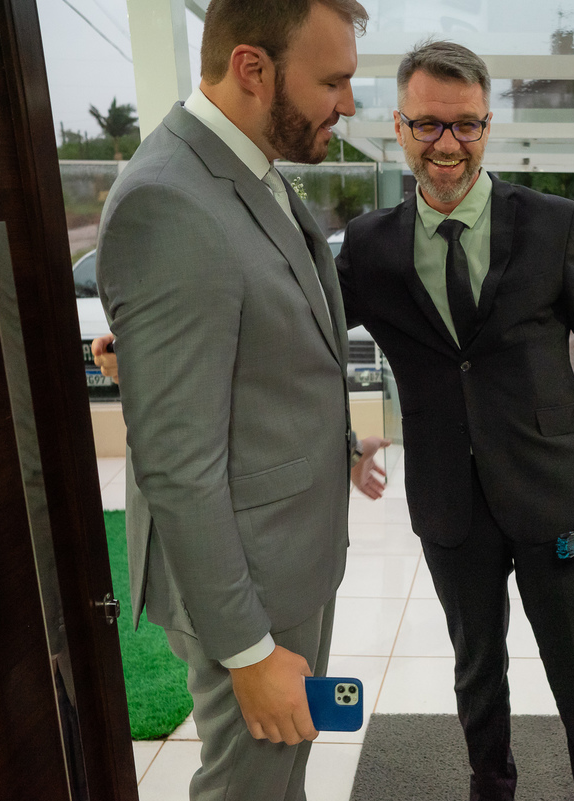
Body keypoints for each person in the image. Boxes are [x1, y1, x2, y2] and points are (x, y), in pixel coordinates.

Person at [336, 41, 574, 801]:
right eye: (428, 125)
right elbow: (298, 338)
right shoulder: (369, 247)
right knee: (476, 668)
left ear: (487, 125)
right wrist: (147, 341)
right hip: (448, 500)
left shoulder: (551, 224)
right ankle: (491, 786)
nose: (448, 144)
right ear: (400, 127)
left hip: (561, 494)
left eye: (466, 125)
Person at [93, 1, 384, 800]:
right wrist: (248, 650)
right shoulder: (170, 202)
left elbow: (263, 351)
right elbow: (176, 463)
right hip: (246, 582)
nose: (347, 104)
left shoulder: (247, 169)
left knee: (280, 774)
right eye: (332, 81)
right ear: (252, 68)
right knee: (248, 786)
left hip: (288, 554)